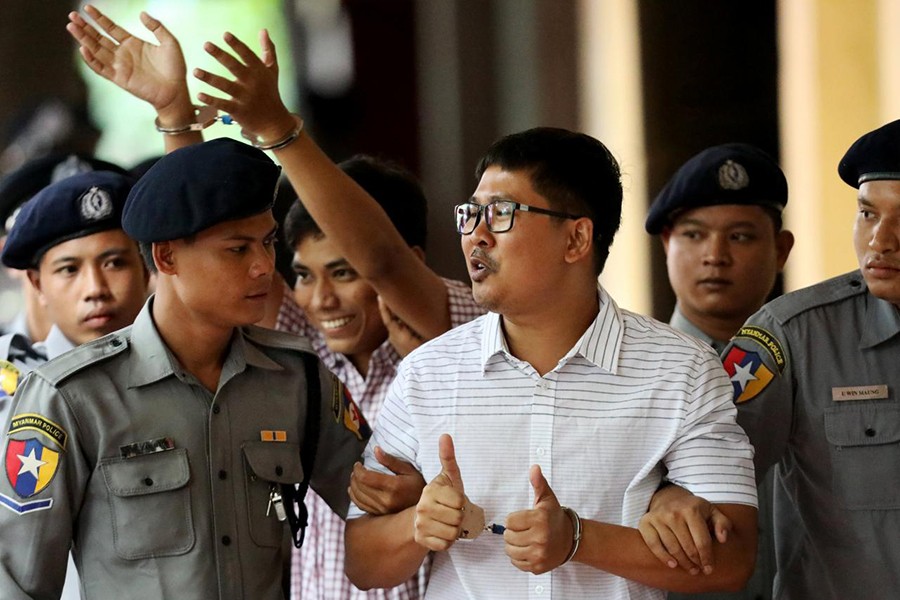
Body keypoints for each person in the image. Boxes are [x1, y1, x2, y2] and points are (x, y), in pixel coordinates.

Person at [67, 8, 484, 598]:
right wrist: (175, 116)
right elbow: (211, 253)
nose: (321, 296)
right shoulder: (299, 358)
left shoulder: (449, 342)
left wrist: (279, 130)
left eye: (342, 272)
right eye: (304, 274)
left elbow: (383, 262)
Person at [340, 126, 759, 599]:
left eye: (500, 214)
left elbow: (733, 561)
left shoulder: (681, 370)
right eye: (471, 213)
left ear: (577, 239)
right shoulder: (426, 373)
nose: (476, 235)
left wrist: (579, 539)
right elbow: (362, 562)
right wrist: (417, 525)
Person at [0, 138, 367, 599]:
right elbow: (18, 583)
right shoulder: (71, 396)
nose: (263, 267)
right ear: (166, 257)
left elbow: (376, 511)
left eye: (268, 243)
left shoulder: (296, 378)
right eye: (237, 250)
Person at [641, 119, 900, 600]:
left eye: (740, 237)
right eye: (867, 214)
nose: (881, 241)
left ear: (781, 249)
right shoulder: (795, 338)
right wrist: (667, 492)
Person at [643, 143, 794, 600]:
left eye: (741, 236)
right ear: (667, 243)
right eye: (693, 235)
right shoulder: (631, 369)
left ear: (781, 249)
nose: (715, 255)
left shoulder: (816, 360)